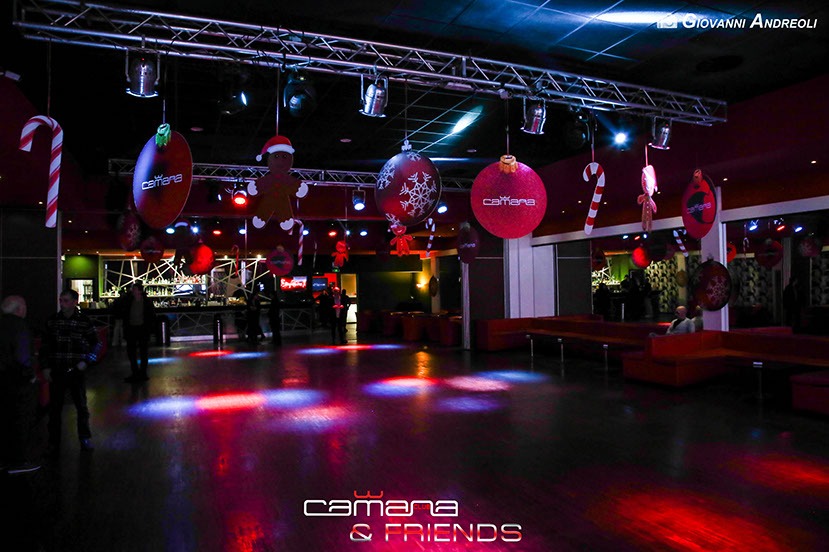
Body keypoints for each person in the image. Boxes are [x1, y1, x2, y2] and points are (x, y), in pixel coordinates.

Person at [42, 289, 103, 454]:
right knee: (55, 409)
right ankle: (54, 442)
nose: (62, 304)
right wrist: (46, 366)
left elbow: (96, 343)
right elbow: (45, 346)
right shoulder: (53, 321)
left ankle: (83, 438)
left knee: (80, 407)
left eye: (66, 300)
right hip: (58, 369)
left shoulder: (83, 321)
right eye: (61, 300)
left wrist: (86, 362)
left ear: (75, 302)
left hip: (75, 370)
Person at [1, 295, 40, 474]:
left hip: (3, 380)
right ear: (19, 309)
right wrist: (30, 375)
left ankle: (5, 459)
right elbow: (23, 357)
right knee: (20, 420)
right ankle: (18, 461)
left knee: (5, 419)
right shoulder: (20, 326)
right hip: (18, 381)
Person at [123, 282, 156, 383]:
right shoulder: (129, 300)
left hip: (142, 329)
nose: (133, 291)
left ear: (139, 291)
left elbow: (151, 315)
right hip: (132, 329)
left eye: (134, 289)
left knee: (143, 352)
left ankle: (141, 373)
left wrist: (149, 328)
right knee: (132, 352)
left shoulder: (145, 302)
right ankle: (136, 372)